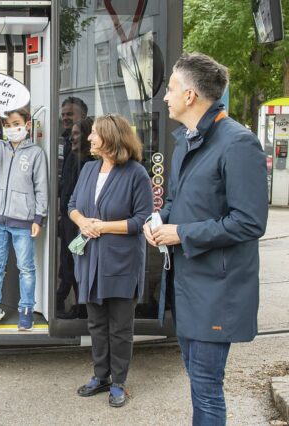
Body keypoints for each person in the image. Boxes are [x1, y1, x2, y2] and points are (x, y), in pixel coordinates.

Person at [144, 53, 268, 424]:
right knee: (199, 382)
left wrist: (180, 232)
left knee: (206, 388)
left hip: (218, 290)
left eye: (171, 89)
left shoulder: (238, 144)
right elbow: (180, 203)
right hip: (190, 286)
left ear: (191, 96)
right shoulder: (187, 141)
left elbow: (249, 223)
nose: (165, 97)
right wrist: (160, 220)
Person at [68, 114, 153, 408]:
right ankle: (100, 376)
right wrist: (82, 222)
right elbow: (71, 206)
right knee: (96, 324)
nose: (90, 138)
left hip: (121, 263)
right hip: (90, 261)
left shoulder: (136, 173)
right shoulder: (89, 169)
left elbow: (142, 220)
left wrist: (101, 226)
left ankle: (118, 381)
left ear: (111, 138)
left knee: (119, 328)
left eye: (94, 133)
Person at [0, 108, 48, 331]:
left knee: (26, 267)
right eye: (7, 125)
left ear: (27, 125)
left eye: (15, 124)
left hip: (23, 220)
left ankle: (26, 311)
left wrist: (38, 217)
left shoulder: (36, 153)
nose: (11, 129)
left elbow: (41, 188)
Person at [57, 117, 94, 319]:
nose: (72, 137)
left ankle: (81, 307)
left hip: (81, 221)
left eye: (77, 133)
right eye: (72, 133)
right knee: (66, 262)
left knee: (76, 262)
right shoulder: (72, 156)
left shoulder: (90, 162)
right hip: (67, 220)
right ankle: (62, 300)